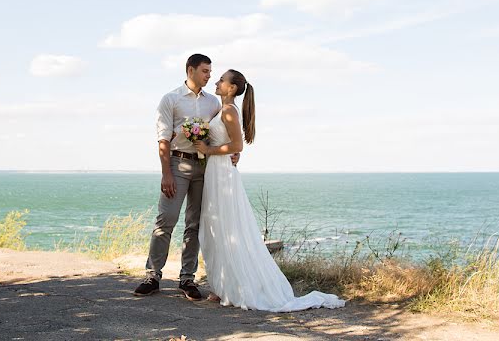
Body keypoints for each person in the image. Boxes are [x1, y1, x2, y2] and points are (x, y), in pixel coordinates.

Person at [193, 69, 346, 311]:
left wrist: (207, 149)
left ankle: (235, 286)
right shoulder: (222, 110)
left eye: (221, 80)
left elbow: (237, 145)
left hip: (222, 172)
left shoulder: (230, 111)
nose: (217, 81)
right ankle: (222, 285)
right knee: (216, 229)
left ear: (232, 88)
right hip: (216, 171)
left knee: (226, 226)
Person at [134, 53, 225, 300]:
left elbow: (221, 133)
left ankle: (187, 279)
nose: (209, 75)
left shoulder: (213, 103)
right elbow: (163, 139)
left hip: (204, 167)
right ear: (190, 70)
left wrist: (232, 153)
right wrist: (166, 173)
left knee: (194, 224)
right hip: (177, 163)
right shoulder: (171, 99)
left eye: (210, 71)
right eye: (205, 70)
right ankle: (152, 276)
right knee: (166, 221)